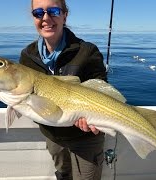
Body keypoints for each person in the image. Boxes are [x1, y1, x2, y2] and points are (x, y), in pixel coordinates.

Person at [19, 0, 107, 179]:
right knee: (63, 175)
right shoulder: (27, 56)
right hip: (53, 136)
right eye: (38, 13)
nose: (46, 18)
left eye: (53, 11)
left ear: (65, 15)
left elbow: (101, 89)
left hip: (85, 137)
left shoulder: (87, 51)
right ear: (33, 17)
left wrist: (95, 121)